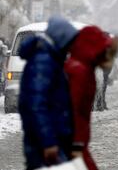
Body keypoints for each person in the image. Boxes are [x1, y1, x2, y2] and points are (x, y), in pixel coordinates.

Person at [18, 17, 79, 170]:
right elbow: (37, 106)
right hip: (45, 144)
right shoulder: (43, 61)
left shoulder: (49, 59)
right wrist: (48, 142)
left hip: (53, 140)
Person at [65, 26, 118, 170]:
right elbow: (72, 110)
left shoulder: (85, 69)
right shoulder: (79, 72)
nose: (107, 55)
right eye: (104, 50)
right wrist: (75, 144)